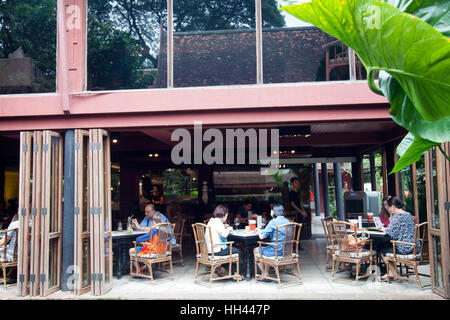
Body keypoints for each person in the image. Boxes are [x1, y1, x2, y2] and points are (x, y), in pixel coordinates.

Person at [380, 196, 419, 281]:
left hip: (405, 248)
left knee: (383, 250)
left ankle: (394, 273)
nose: (389, 209)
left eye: (390, 207)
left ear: (393, 207)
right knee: (388, 248)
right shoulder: (408, 214)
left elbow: (390, 233)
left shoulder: (397, 217)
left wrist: (384, 229)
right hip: (415, 247)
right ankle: (391, 273)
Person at [205, 205, 244, 281]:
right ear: (224, 215)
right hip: (217, 250)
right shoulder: (218, 222)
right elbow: (225, 234)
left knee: (232, 249)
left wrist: (224, 226)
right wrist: (229, 229)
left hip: (210, 250)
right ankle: (236, 274)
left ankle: (223, 269)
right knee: (238, 252)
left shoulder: (212, 221)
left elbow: (218, 230)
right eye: (226, 215)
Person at [254, 204, 292, 280]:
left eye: (271, 210)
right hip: (287, 251)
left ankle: (264, 274)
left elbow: (262, 237)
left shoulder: (273, 222)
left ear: (274, 212)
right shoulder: (287, 221)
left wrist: (258, 230)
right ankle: (266, 273)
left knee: (256, 250)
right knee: (268, 248)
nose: (270, 212)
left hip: (276, 251)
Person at [288, 177, 307, 250]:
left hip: (300, 212)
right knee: (295, 229)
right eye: (295, 182)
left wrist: (303, 211)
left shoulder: (297, 192)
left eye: (297, 182)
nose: (297, 184)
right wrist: (300, 211)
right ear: (292, 183)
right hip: (295, 213)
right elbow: (293, 204)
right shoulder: (291, 193)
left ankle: (298, 244)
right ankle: (294, 245)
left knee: (300, 229)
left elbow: (300, 203)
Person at [0, 213, 19, 279]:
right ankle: (9, 274)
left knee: (2, 249)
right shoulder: (34, 223)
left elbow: (2, 242)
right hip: (27, 253)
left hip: (14, 253)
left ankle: (6, 275)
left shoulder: (15, 224)